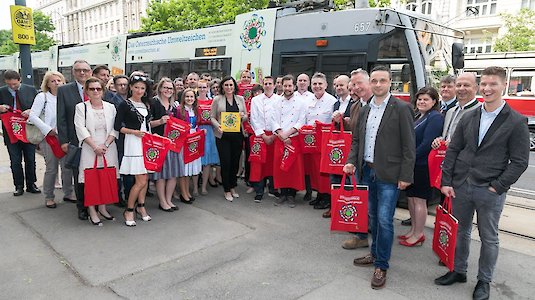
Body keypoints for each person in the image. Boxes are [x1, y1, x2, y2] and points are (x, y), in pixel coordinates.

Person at [434, 66, 530, 300]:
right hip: (461, 186)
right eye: (484, 84)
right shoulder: (470, 115)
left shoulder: (516, 121)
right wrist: (447, 181)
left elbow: (519, 162)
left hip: (490, 190)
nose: (487, 89)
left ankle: (484, 281)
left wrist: (497, 186)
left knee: (489, 238)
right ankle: (458, 270)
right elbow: (454, 149)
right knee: (461, 232)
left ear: (503, 86)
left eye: (493, 84)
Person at [343, 65, 415, 290]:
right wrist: (351, 160)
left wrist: (405, 175)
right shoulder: (364, 109)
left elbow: (409, 146)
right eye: (374, 80)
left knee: (384, 220)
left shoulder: (402, 108)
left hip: (390, 175)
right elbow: (356, 139)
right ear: (370, 83)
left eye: (382, 81)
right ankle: (374, 255)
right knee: (372, 217)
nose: (378, 84)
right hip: (367, 171)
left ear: (389, 82)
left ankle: (382, 265)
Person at [398, 87, 444, 246]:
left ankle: (418, 234)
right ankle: (413, 230)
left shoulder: (435, 117)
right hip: (413, 164)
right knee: (411, 199)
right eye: (420, 99)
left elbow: (426, 144)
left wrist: (408, 159)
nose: (422, 102)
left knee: (419, 200)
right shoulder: (420, 115)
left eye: (426, 99)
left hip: (422, 165)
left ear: (434, 102)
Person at [74, 77, 119, 226]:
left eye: (98, 89)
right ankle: (92, 210)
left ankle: (103, 208)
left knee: (106, 177)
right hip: (90, 147)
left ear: (103, 90)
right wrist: (95, 147)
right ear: (86, 91)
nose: (95, 91)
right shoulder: (81, 107)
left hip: (108, 147)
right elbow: (80, 128)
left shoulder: (110, 107)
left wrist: (105, 145)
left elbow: (115, 128)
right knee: (90, 179)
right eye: (92, 89)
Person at [29, 71, 75, 208]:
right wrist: (48, 129)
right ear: (47, 84)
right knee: (51, 168)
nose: (56, 83)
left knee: (67, 168)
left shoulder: (67, 96)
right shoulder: (42, 97)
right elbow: (33, 116)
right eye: (53, 81)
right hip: (49, 138)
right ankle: (49, 196)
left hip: (65, 137)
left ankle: (68, 193)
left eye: (59, 80)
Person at [114, 74, 153, 227]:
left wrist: (151, 135)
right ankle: (129, 209)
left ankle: (141, 207)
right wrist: (134, 132)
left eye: (142, 88)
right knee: (140, 180)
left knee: (145, 178)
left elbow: (146, 125)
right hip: (133, 142)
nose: (139, 90)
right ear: (130, 87)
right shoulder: (125, 104)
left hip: (146, 143)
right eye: (136, 87)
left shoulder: (146, 104)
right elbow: (117, 126)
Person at [57, 60, 93, 220]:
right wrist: (64, 141)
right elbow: (61, 118)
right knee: (79, 176)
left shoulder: (96, 88)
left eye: (85, 70)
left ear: (90, 72)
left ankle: (95, 204)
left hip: (95, 141)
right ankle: (82, 207)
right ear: (73, 72)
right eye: (78, 70)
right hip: (75, 141)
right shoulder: (64, 90)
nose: (82, 73)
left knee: (94, 175)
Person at [340, 68, 372, 250]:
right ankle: (361, 235)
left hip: (378, 165)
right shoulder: (355, 107)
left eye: (359, 83)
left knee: (374, 206)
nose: (356, 87)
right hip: (360, 162)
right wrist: (350, 161)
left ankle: (372, 234)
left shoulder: (380, 105)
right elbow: (355, 138)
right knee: (361, 200)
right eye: (353, 84)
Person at [0, 70, 40, 196]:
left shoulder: (31, 90)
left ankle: (31, 184)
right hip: (10, 132)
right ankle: (18, 185)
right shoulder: (1, 92)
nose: (12, 87)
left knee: (30, 158)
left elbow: (38, 108)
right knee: (15, 160)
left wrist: (31, 111)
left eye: (15, 84)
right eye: (9, 84)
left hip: (28, 130)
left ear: (20, 80)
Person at [210, 76, 247, 202]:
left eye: (231, 85)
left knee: (235, 162)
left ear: (234, 86)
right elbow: (212, 117)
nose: (229, 87)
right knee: (225, 162)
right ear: (222, 87)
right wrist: (218, 126)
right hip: (223, 136)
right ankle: (226, 189)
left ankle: (233, 186)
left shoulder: (240, 99)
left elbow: (246, 116)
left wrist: (243, 116)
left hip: (237, 135)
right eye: (226, 85)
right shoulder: (217, 99)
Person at [304, 72, 337, 210]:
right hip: (311, 141)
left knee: (324, 170)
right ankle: (319, 194)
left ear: (326, 85)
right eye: (315, 84)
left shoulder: (332, 101)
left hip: (325, 141)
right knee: (314, 170)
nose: (317, 86)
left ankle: (327, 197)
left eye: (320, 84)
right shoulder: (309, 100)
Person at [271, 75, 306, 205]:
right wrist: (281, 134)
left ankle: (292, 195)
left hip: (293, 138)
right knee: (280, 167)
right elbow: (273, 120)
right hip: (280, 139)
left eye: (290, 86)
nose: (287, 88)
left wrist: (288, 133)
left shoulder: (301, 102)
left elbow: (301, 121)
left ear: (294, 86)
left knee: (292, 168)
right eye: (285, 85)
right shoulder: (277, 102)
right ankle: (282, 193)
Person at [149, 77, 181, 212]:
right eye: (166, 87)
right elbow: (148, 124)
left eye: (170, 88)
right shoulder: (154, 103)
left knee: (173, 174)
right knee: (161, 175)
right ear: (160, 89)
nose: (168, 90)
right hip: (159, 142)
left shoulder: (175, 105)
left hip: (173, 143)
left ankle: (168, 200)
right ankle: (162, 201)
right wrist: (160, 121)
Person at [249, 76, 281, 202]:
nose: (268, 86)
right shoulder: (256, 100)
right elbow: (254, 119)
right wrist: (263, 135)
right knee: (258, 163)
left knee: (273, 162)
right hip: (260, 135)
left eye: (270, 83)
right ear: (263, 85)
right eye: (266, 83)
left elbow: (280, 118)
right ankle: (259, 190)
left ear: (274, 85)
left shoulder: (280, 99)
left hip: (275, 135)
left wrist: (273, 135)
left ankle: (273, 188)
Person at [431, 73, 481, 150]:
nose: (461, 88)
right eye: (458, 85)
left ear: (476, 88)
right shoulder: (450, 111)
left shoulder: (481, 111)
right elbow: (447, 136)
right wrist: (439, 140)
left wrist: (456, 144)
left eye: (466, 85)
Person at [175, 88, 202, 202]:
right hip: (183, 140)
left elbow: (198, 123)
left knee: (190, 169)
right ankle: (184, 193)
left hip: (193, 140)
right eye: (187, 97)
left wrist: (200, 131)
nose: (189, 99)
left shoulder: (196, 110)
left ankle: (187, 192)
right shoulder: (179, 110)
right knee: (184, 169)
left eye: (191, 97)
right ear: (183, 98)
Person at [197, 80, 220, 196]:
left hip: (209, 132)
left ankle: (204, 187)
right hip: (197, 130)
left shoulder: (212, 102)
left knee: (207, 162)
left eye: (204, 87)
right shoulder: (193, 100)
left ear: (208, 88)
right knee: (196, 160)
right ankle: (195, 187)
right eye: (200, 87)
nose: (202, 89)